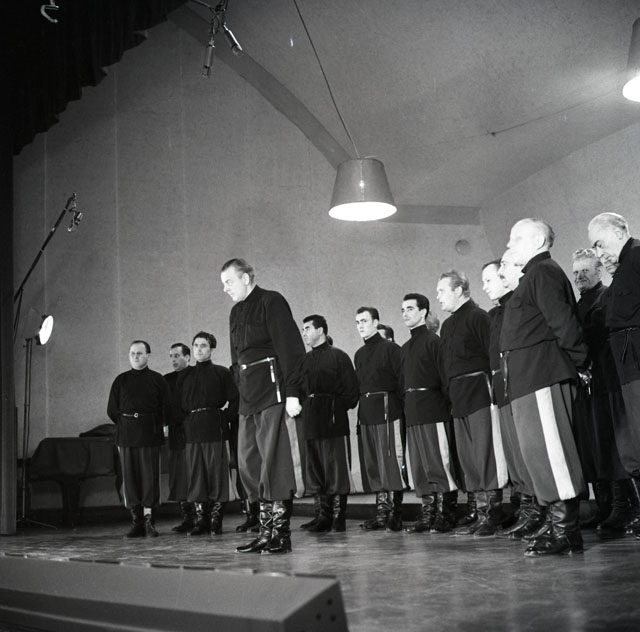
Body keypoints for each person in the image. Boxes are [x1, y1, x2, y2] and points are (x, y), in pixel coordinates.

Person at [500, 218, 588, 556]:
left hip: (543, 375)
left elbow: (563, 322)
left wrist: (580, 363)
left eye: (516, 238)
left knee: (554, 453)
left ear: (538, 240)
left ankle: (566, 530)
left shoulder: (543, 272)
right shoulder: (533, 275)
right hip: (529, 379)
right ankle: (555, 523)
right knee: (539, 456)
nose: (509, 245)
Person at [220, 258, 305, 554]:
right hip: (248, 398)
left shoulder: (272, 301)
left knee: (274, 463)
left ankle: (280, 534)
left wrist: (293, 393)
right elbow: (235, 360)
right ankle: (264, 531)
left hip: (272, 393)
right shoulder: (235, 312)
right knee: (249, 463)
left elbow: (291, 349)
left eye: (229, 282)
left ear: (245, 278)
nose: (225, 289)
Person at [437, 270, 509, 537]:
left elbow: (493, 355)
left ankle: (493, 514)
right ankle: (480, 513)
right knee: (468, 459)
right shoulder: (446, 326)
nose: (438, 297)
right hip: (458, 398)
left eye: (442, 291)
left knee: (486, 454)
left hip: (480, 393)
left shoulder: (479, 317)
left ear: (458, 290)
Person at [482, 257, 543, 540]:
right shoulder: (495, 314)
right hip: (501, 387)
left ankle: (538, 511)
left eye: (489, 280)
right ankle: (526, 509)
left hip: (518, 383)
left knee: (527, 451)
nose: (486, 286)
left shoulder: (517, 307)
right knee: (515, 456)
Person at [588, 213, 640, 537]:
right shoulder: (622, 270)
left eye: (599, 242)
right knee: (633, 445)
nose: (598, 252)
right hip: (626, 368)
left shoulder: (637, 256)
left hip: (636, 362)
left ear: (619, 231)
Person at [571, 249, 630, 533]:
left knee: (611, 444)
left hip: (607, 380)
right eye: (576, 272)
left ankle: (622, 506)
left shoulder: (605, 297)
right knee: (593, 446)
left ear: (598, 271)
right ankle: (604, 506)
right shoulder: (577, 304)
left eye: (585, 271)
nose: (579, 276)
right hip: (587, 386)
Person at [401, 293, 458, 533]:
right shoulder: (405, 348)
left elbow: (445, 377)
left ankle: (446, 514)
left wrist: (446, 406)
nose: (405, 313)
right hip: (413, 411)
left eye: (410, 309)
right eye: (403, 310)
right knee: (419, 466)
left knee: (438, 462)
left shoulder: (434, 342)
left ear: (423, 311)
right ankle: (428, 513)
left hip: (433, 409)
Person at [175, 331, 239, 536]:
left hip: (215, 430)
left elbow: (235, 400)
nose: (198, 349)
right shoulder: (185, 375)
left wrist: (223, 418)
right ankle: (201, 520)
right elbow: (177, 405)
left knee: (217, 476)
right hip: (192, 431)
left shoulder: (222, 373)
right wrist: (186, 422)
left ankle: (216, 520)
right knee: (196, 477)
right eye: (195, 345)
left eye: (203, 345)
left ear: (212, 349)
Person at [299, 314, 359, 532]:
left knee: (335, 469)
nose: (304, 333)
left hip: (333, 421)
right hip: (310, 421)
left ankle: (338, 517)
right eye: (303, 329)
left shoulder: (339, 357)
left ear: (320, 330)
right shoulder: (303, 360)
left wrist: (334, 408)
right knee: (315, 469)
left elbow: (351, 392)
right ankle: (322, 515)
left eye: (307, 328)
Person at [107, 341, 169, 538]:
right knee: (130, 479)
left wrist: (154, 424)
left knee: (150, 478)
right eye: (132, 353)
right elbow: (112, 410)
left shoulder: (157, 380)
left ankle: (150, 520)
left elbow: (166, 407)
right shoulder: (121, 380)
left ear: (148, 355)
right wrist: (128, 424)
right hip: (126, 436)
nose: (135, 356)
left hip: (150, 434)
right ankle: (136, 521)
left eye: (139, 353)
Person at [354, 306, 405, 531]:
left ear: (376, 322)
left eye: (364, 321)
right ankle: (382, 512)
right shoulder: (359, 354)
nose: (360, 326)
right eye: (357, 322)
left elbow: (401, 380)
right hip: (367, 413)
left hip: (387, 411)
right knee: (373, 464)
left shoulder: (391, 349)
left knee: (390, 462)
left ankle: (395, 513)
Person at [163, 343, 195, 533]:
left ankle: (202, 516)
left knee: (195, 473)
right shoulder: (167, 380)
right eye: (171, 356)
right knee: (180, 476)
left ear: (188, 357)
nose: (173, 360)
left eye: (177, 356)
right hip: (176, 433)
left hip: (194, 431)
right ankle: (187, 517)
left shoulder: (195, 375)